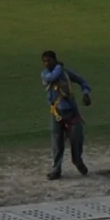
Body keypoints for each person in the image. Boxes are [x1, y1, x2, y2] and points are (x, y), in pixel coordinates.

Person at [39, 50, 94, 178]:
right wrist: (59, 67)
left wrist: (86, 93)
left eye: (49, 60)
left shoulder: (65, 73)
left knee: (77, 139)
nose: (47, 64)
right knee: (57, 143)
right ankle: (56, 169)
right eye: (44, 61)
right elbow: (51, 78)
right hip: (57, 113)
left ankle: (78, 161)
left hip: (71, 112)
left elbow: (82, 81)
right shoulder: (46, 74)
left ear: (54, 59)